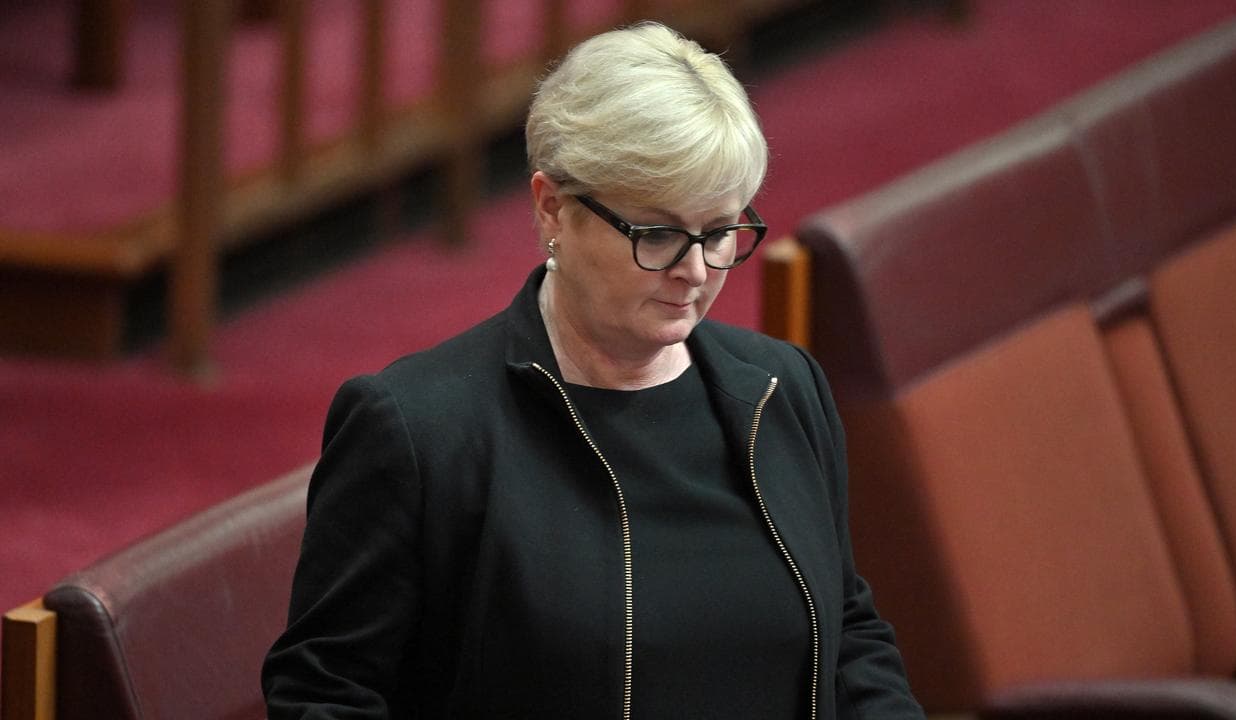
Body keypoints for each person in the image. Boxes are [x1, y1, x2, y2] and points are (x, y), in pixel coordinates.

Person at [262, 21, 923, 720]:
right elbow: (324, 695)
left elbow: (849, 632)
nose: (696, 271)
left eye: (720, 232)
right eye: (658, 234)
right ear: (553, 207)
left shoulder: (781, 388)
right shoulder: (420, 431)